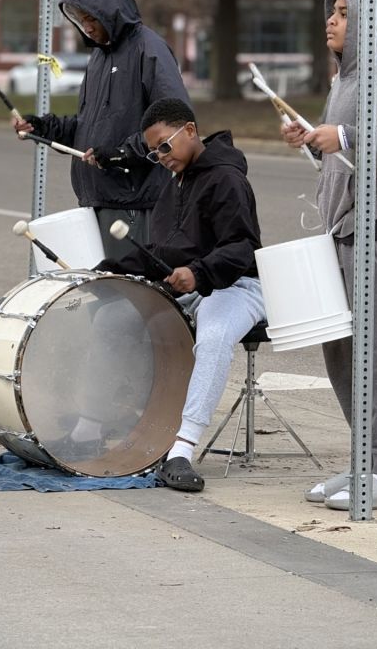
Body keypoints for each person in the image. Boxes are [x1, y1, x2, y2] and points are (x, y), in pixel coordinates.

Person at [280, 0, 377, 511]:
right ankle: (363, 459)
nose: (333, 21)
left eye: (345, 14)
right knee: (341, 353)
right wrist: (314, 141)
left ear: (372, 25)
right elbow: (347, 161)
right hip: (341, 235)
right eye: (333, 13)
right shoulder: (344, 79)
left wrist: (341, 136)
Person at [93, 97, 266, 492]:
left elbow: (242, 247)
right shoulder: (175, 185)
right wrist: (112, 270)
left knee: (214, 337)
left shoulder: (227, 179)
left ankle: (182, 451)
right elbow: (164, 257)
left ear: (190, 130)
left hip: (237, 285)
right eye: (154, 152)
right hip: (194, 287)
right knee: (113, 319)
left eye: (165, 146)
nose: (161, 156)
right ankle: (103, 424)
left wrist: (199, 273)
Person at [12, 0, 191, 259]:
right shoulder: (98, 58)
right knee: (105, 290)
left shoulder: (150, 49)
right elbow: (87, 128)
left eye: (92, 18)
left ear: (112, 11)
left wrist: (122, 153)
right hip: (96, 199)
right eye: (82, 21)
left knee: (132, 294)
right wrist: (43, 127)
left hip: (135, 204)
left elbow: (175, 121)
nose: (88, 27)